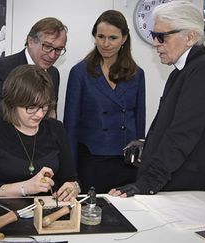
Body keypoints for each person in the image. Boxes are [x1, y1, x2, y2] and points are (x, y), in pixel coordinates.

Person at [109, 0, 205, 197]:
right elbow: (168, 125)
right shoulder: (182, 71)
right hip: (179, 185)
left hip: (194, 192)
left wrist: (148, 183)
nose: (155, 43)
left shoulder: (204, 71)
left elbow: (182, 134)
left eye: (161, 37)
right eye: (153, 35)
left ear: (190, 37)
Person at [63, 10, 146, 193]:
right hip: (92, 161)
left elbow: (140, 123)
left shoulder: (137, 74)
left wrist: (141, 162)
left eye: (113, 38)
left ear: (124, 39)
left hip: (126, 162)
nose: (105, 44)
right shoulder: (80, 73)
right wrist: (70, 173)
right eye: (100, 36)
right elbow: (71, 126)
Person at [0, 64, 79, 201]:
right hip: (3, 213)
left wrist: (73, 187)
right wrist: (25, 188)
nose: (40, 114)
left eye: (44, 106)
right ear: (13, 102)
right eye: (31, 107)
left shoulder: (56, 129)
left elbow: (71, 178)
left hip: (48, 212)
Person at [0, 17, 67, 118]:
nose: (52, 55)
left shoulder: (53, 73)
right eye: (47, 46)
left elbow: (51, 114)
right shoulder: (1, 67)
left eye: (59, 49)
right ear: (30, 41)